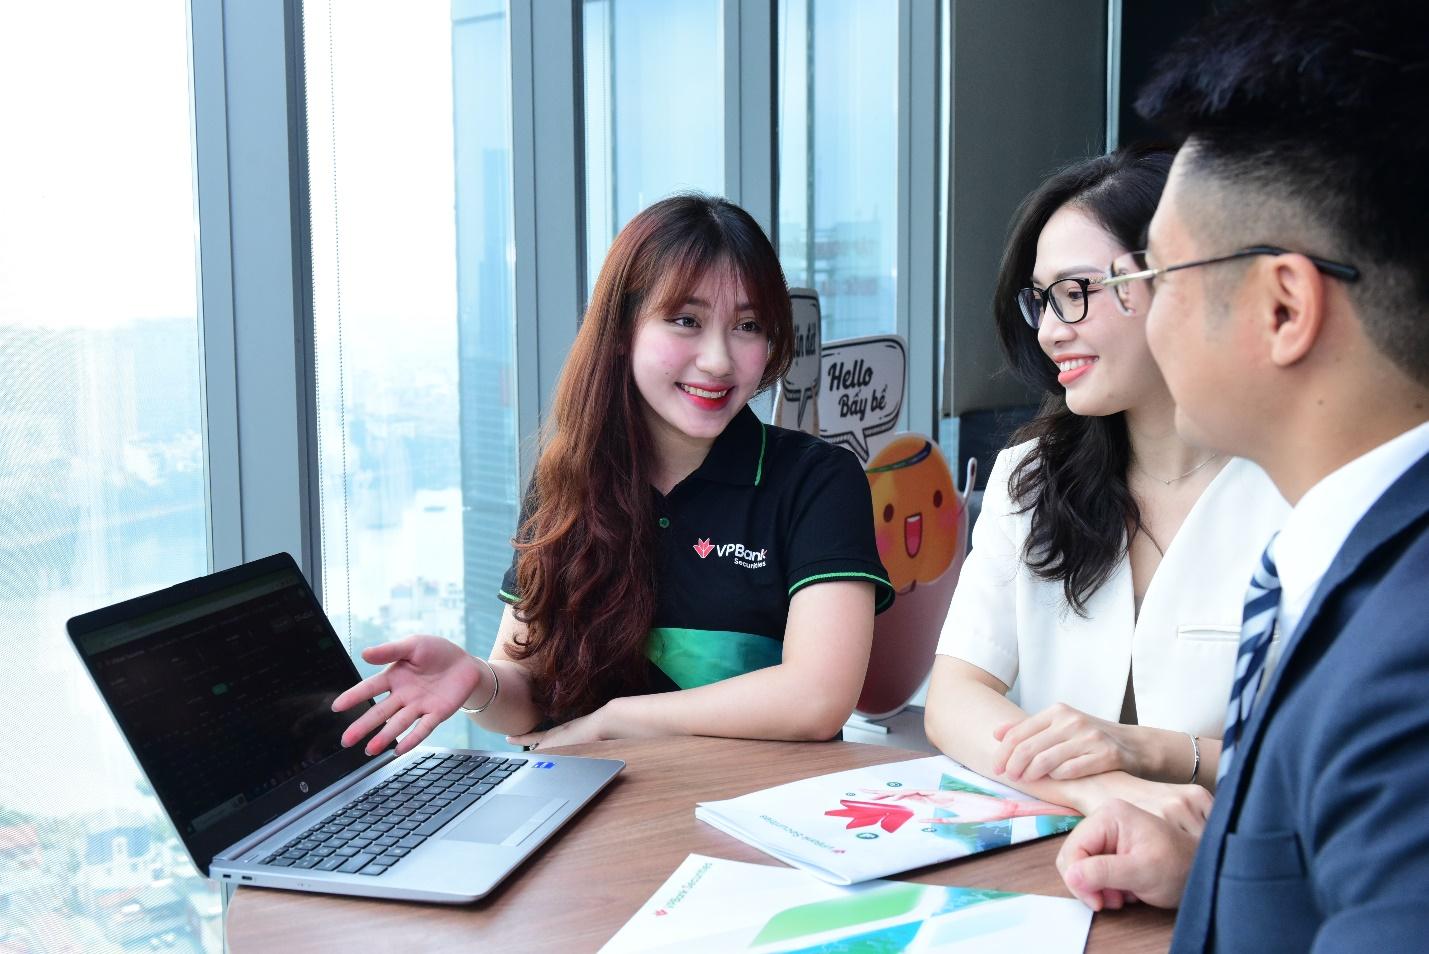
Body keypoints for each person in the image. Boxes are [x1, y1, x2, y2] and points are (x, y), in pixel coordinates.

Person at [1055, 2, 1429, 949]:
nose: (1144, 315)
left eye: (1162, 278)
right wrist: (1214, 872)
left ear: (1282, 306)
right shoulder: (1353, 557)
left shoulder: (1408, 659)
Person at [333, 194, 894, 754]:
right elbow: (526, 690)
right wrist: (477, 682)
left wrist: (614, 720)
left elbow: (817, 699)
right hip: (592, 817)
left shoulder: (818, 481)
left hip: (758, 818)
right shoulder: (569, 480)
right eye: (686, 321)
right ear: (623, 328)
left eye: (747, 325)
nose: (719, 360)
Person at [924, 145, 1288, 828]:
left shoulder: (1296, 486)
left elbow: (1320, 757)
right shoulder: (1030, 474)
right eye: (1043, 300)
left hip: (1234, 860)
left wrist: (1149, 752)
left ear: (1181, 280)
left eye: (1077, 292)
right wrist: (1093, 794)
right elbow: (953, 696)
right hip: (1054, 850)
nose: (1052, 331)